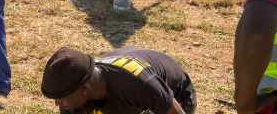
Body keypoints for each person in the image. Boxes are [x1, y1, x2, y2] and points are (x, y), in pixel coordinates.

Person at [41, 47, 197, 114]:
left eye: (61, 99)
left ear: (85, 88)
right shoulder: (73, 88)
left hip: (177, 95)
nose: (58, 104)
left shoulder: (137, 82)